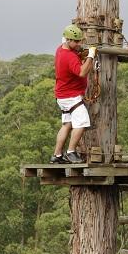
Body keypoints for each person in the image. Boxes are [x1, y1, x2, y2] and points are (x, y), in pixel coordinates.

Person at [51, 24, 97, 164]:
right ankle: (71, 152)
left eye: (79, 41)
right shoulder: (69, 56)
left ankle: (57, 155)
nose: (79, 44)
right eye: (76, 41)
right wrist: (90, 56)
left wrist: (80, 54)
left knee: (67, 124)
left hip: (62, 95)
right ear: (68, 40)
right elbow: (82, 72)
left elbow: (75, 60)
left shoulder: (60, 50)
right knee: (82, 122)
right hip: (71, 96)